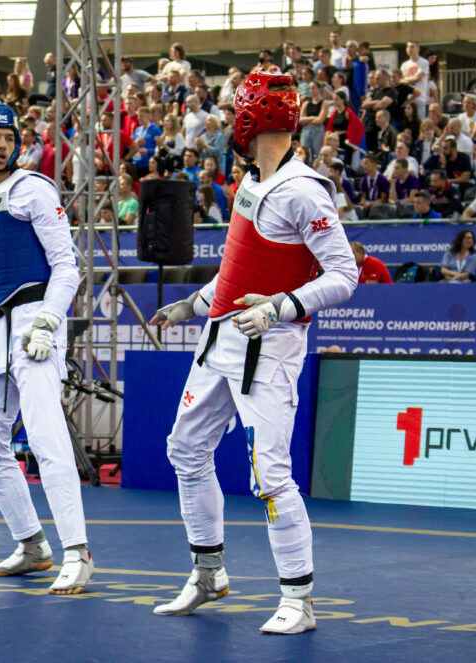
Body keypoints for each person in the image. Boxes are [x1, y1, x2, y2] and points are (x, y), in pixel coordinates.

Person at [148, 72, 357, 634]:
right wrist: (192, 305)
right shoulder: (250, 181)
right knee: (185, 449)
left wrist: (280, 307)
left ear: (249, 118)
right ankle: (208, 573)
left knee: (271, 475)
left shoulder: (304, 190)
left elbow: (344, 274)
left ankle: (298, 600)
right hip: (220, 337)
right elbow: (240, 266)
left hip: (269, 348)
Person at [0, 103, 93, 596]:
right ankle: (32, 545)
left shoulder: (33, 188)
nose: (2, 145)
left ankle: (77, 553)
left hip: (35, 327)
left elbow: (67, 266)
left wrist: (47, 323)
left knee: (45, 436)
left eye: (8, 138)